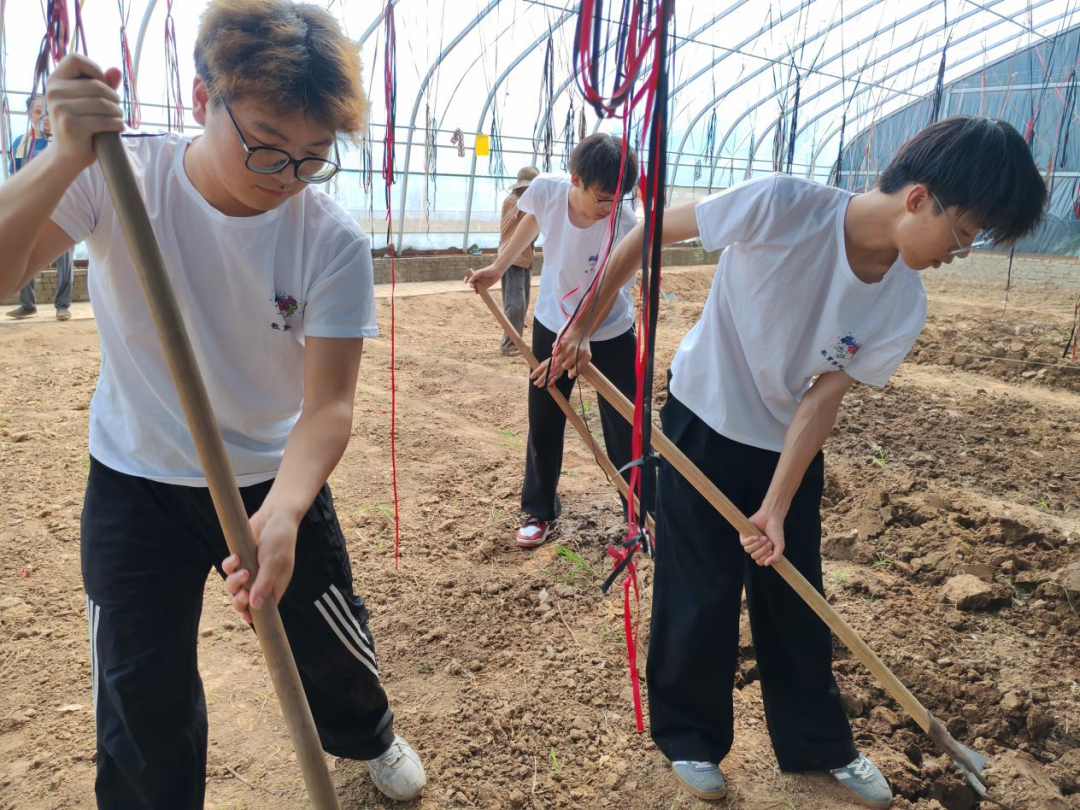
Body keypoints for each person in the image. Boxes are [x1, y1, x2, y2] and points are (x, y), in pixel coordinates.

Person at [546, 116, 1047, 807]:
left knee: (794, 591)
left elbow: (820, 400)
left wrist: (776, 506)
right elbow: (645, 231)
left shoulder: (903, 301)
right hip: (702, 417)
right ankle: (690, 736)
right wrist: (578, 327)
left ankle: (819, 744)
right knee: (701, 587)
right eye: (963, 233)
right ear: (918, 198)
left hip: (786, 445)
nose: (960, 253)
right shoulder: (783, 205)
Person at [0, 1, 427, 807]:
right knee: (137, 679)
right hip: (135, 476)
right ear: (203, 100)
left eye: (312, 157)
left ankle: (369, 736)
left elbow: (329, 407)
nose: (286, 178)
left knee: (328, 638)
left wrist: (290, 511)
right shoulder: (120, 180)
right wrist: (60, 157)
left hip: (270, 472)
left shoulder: (329, 239)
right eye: (266, 145)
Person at [466, 134, 639, 549]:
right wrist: (497, 266)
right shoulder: (547, 189)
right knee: (545, 415)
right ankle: (539, 510)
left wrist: (582, 334)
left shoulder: (625, 222)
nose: (608, 209)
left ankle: (639, 514)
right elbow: (534, 221)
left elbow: (611, 288)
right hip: (553, 322)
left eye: (617, 199)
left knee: (625, 426)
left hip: (609, 329)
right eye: (600, 198)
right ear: (576, 180)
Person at [5, 99, 74, 321]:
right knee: (23, 252)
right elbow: (14, 175)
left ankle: (62, 305)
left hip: (60, 205)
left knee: (64, 255)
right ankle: (27, 304)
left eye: (46, 111)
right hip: (30, 206)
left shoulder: (63, 140)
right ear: (29, 114)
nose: (42, 116)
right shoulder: (19, 143)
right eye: (37, 112)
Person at [497, 165, 540, 356]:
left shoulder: (525, 202)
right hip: (512, 260)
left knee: (522, 304)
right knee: (515, 305)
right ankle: (509, 345)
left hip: (525, 259)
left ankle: (515, 342)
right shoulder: (514, 202)